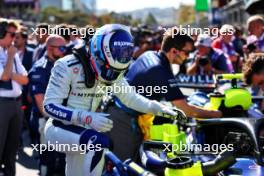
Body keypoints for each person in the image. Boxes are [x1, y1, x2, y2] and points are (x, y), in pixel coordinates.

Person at [43, 24, 181, 176]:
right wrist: (87, 117)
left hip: (86, 130)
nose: (110, 74)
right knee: (98, 143)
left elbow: (131, 98)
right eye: (106, 66)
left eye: (117, 71)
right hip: (58, 128)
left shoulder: (115, 71)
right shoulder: (66, 65)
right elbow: (49, 106)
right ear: (95, 52)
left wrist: (159, 108)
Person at [29, 35, 67, 176]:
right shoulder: (40, 69)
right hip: (46, 121)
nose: (65, 51)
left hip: (63, 121)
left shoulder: (62, 65)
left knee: (63, 160)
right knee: (48, 159)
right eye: (62, 48)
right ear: (50, 48)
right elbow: (41, 103)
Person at [0, 19, 28, 176]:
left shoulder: (11, 52)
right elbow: (4, 77)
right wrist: (10, 57)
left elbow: (25, 79)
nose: (14, 39)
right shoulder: (11, 53)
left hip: (16, 104)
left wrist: (10, 73)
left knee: (12, 148)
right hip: (2, 104)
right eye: (12, 34)